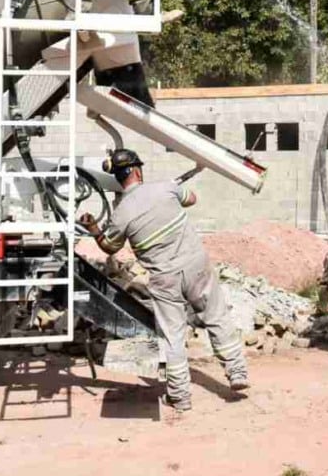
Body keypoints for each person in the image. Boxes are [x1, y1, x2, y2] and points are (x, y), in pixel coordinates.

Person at [90, 149, 249, 412]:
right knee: (216, 316)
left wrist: (94, 229)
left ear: (118, 179)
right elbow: (192, 198)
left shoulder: (122, 213)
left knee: (173, 337)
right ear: (138, 171)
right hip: (196, 266)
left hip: (165, 280)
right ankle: (237, 373)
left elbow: (109, 247)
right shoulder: (165, 188)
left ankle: (180, 396)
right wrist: (171, 195)